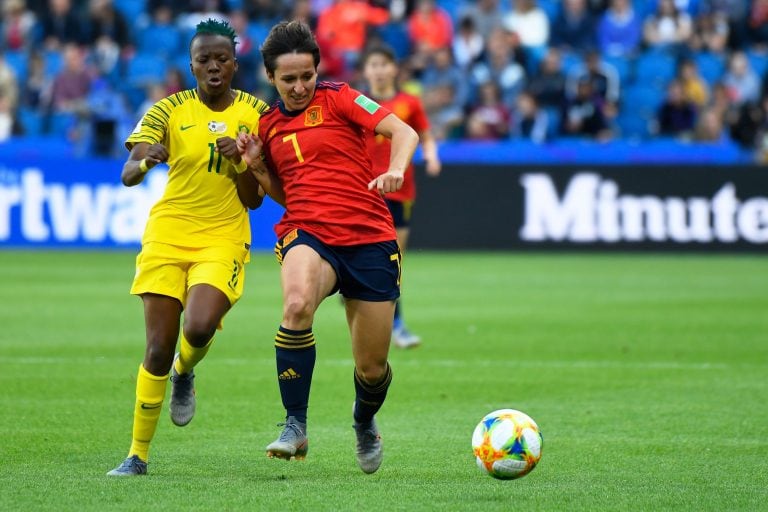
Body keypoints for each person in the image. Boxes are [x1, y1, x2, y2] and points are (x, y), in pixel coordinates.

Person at [236, 20, 419, 474]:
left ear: (318, 70)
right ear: (270, 78)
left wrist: (396, 169)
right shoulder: (267, 124)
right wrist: (257, 168)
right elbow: (285, 192)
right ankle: (294, 425)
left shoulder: (340, 97)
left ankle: (363, 420)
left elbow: (405, 133)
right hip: (307, 231)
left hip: (369, 236)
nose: (299, 87)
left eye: (307, 76)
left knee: (372, 368)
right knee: (296, 305)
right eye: (288, 79)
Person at [106, 19, 269, 477]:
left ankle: (186, 369)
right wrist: (144, 163)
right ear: (191, 65)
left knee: (197, 327)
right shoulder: (167, 109)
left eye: (222, 59)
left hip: (222, 235)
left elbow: (254, 199)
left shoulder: (257, 114)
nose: (213, 66)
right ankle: (137, 455)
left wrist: (240, 161)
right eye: (204, 60)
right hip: (168, 232)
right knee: (156, 346)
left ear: (235, 64)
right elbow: (129, 169)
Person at [361, 44, 441, 348]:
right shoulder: (359, 102)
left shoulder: (409, 102)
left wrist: (432, 156)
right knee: (371, 257)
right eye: (373, 65)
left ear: (394, 68)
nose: (379, 70)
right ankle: (395, 324)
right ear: (366, 71)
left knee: (393, 261)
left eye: (384, 64)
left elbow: (425, 134)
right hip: (365, 189)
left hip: (399, 189)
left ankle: (393, 321)